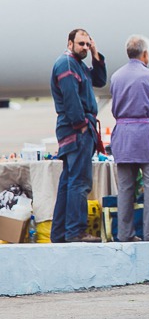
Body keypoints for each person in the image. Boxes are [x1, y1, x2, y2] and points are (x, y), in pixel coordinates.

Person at [109, 35, 149, 242]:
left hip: (123, 135)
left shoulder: (116, 76)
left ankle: (124, 234)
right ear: (145, 54)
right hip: (146, 134)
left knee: (125, 188)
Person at [50, 28, 107, 243]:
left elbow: (100, 81)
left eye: (87, 43)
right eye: (81, 43)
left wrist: (95, 52)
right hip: (76, 130)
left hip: (76, 129)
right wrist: (81, 124)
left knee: (68, 181)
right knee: (79, 182)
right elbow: (71, 96)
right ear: (70, 43)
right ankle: (75, 231)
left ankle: (59, 233)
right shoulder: (66, 64)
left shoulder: (78, 63)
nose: (84, 47)